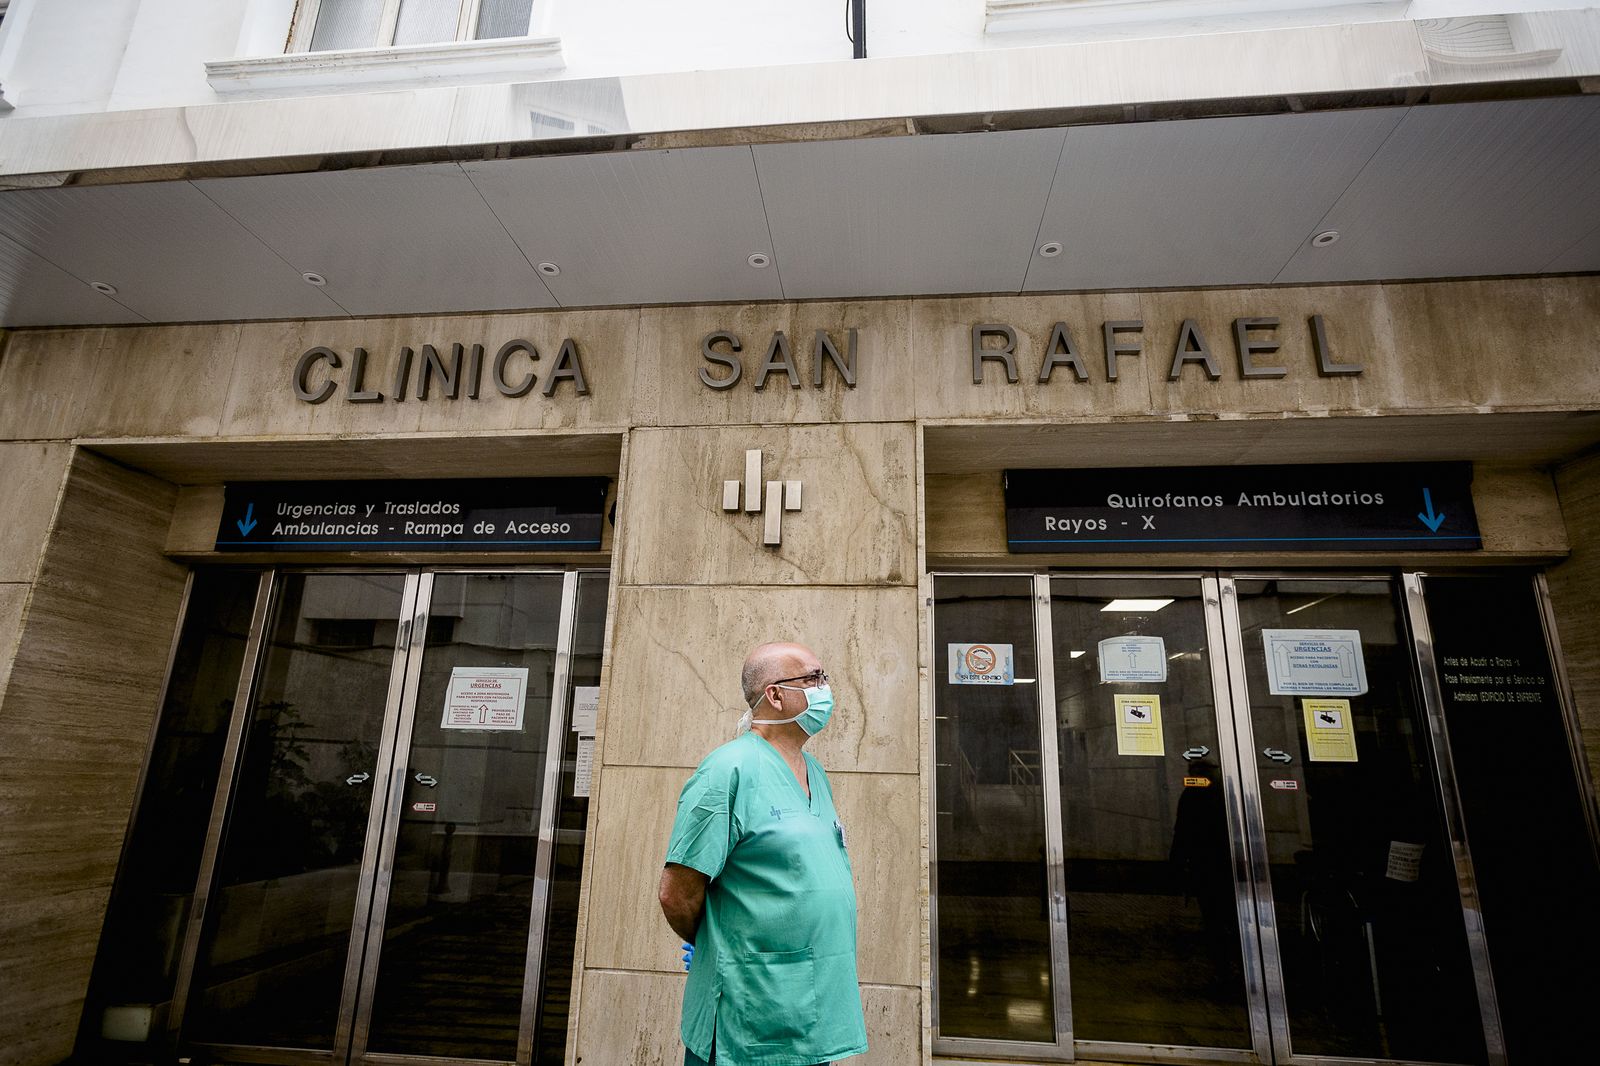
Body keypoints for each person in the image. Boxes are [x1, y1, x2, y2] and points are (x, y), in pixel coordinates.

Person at [658, 641, 868, 1066]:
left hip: (812, 1004)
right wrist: (716, 942)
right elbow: (677, 892)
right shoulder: (726, 771)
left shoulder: (815, 773)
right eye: (813, 679)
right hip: (752, 1004)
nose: (825, 689)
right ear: (774, 695)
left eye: (824, 678)